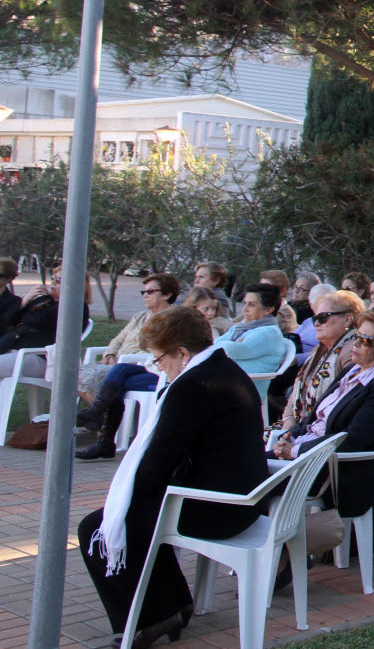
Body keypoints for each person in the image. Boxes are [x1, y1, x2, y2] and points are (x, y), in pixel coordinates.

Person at [78, 306, 268, 649]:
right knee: (135, 512)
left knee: (99, 527)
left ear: (182, 353)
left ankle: (143, 622)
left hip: (222, 507)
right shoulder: (221, 367)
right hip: (238, 496)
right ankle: (175, 605)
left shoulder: (195, 385)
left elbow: (159, 458)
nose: (158, 367)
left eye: (159, 358)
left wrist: (127, 500)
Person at [271, 306, 374, 559]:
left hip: (336, 470)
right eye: (357, 335)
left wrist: (295, 450)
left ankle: (279, 555)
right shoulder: (352, 371)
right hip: (309, 455)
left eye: (367, 341)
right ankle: (275, 550)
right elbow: (316, 417)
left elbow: (352, 441)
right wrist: (289, 436)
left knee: (254, 478)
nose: (356, 343)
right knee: (246, 468)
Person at [75, 274, 181, 459]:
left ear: (166, 294)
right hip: (125, 366)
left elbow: (156, 348)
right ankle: (104, 439)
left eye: (150, 291)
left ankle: (98, 422)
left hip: (148, 367)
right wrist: (110, 352)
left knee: (118, 373)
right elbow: (119, 338)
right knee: (115, 381)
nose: (145, 295)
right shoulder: (140, 316)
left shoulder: (171, 318)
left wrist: (125, 359)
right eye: (143, 292)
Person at [277, 289, 362, 432]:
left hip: (319, 432)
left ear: (347, 319)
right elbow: (297, 393)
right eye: (314, 318)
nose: (316, 324)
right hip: (297, 427)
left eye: (323, 317)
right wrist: (288, 420)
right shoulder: (320, 349)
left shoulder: (352, 350)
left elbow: (347, 401)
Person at [209, 282, 294, 396]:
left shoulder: (268, 333)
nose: (245, 309)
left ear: (268, 310)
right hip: (228, 383)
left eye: (251, 305)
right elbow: (215, 344)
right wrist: (229, 344)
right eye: (245, 303)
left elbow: (228, 349)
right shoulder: (244, 326)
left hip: (244, 392)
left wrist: (228, 345)